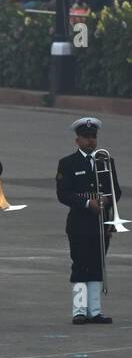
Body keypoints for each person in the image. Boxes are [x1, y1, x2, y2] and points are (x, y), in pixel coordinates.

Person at [56, 117, 121, 325]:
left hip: (101, 222)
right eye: (86, 137)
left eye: (93, 137)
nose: (91, 141)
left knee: (96, 265)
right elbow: (63, 194)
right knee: (80, 265)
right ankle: (79, 310)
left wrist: (106, 199)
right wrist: (87, 203)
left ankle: (95, 310)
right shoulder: (68, 163)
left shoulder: (106, 161)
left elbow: (116, 191)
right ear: (77, 140)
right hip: (79, 222)